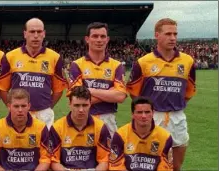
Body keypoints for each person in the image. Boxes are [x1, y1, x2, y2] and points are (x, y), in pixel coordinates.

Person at [126, 18, 196, 171]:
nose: (172, 38)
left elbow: (189, 91)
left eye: (175, 34)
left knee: (176, 166)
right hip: (153, 117)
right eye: (168, 33)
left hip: (177, 117)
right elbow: (134, 93)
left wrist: (174, 105)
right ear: (157, 35)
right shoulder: (143, 62)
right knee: (151, 165)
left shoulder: (187, 61)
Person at [0, 17, 67, 128]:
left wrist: (47, 107)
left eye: (39, 32)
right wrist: (13, 107)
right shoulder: (10, 57)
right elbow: (2, 88)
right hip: (18, 114)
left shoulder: (54, 57)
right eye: (32, 31)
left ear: (44, 34)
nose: (36, 35)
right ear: (25, 34)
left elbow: (58, 90)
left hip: (43, 114)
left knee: (44, 145)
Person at [67, 22, 127, 137]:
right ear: (87, 39)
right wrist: (109, 93)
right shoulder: (77, 65)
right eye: (95, 36)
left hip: (108, 118)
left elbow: (120, 97)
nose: (99, 40)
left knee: (109, 154)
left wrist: (89, 91)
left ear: (107, 39)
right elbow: (76, 99)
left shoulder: (117, 66)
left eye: (102, 36)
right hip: (84, 118)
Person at [49, 86, 110, 171]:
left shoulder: (100, 127)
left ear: (90, 104)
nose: (81, 110)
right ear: (69, 104)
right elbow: (53, 161)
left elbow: (104, 161)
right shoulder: (57, 127)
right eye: (77, 105)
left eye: (85, 105)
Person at [0, 88, 50, 170]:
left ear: (29, 106)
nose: (20, 110)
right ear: (9, 106)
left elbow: (45, 159)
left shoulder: (41, 128)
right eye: (16, 106)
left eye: (23, 106)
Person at [109, 97, 174, 171]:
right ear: (132, 114)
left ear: (153, 113)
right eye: (139, 112)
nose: (144, 116)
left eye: (147, 112)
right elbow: (116, 166)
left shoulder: (165, 137)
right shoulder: (120, 135)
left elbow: (166, 167)